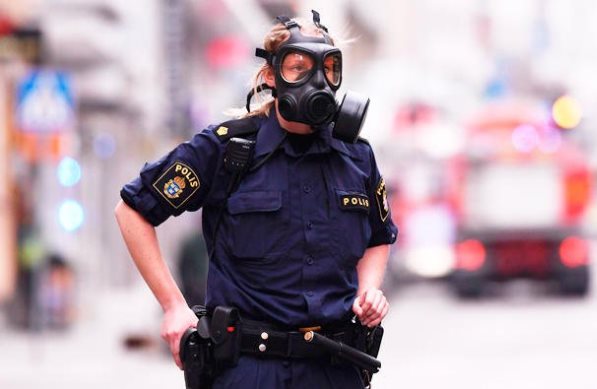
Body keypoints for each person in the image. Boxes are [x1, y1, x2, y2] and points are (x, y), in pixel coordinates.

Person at [115, 10, 397, 389]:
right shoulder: (226, 149)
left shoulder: (357, 157)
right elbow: (132, 211)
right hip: (249, 370)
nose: (317, 79)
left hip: (336, 368)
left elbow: (379, 236)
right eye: (298, 66)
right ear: (270, 76)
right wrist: (172, 307)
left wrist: (368, 292)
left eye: (329, 68)